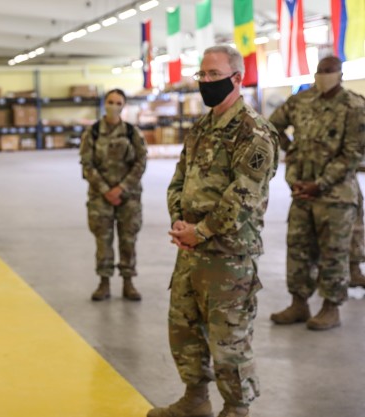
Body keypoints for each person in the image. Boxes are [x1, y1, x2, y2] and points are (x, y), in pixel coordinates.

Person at [152, 45, 279, 417]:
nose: (206, 82)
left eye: (213, 75)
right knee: (184, 329)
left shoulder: (253, 133)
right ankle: (196, 399)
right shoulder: (201, 127)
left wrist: (202, 231)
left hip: (229, 257)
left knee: (229, 340)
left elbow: (244, 196)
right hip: (190, 251)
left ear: (237, 78)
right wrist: (179, 221)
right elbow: (179, 181)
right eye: (202, 75)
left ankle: (237, 408)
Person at [269, 56, 365, 330]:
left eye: (328, 71)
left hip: (335, 195)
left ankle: (330, 307)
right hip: (301, 190)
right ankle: (299, 303)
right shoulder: (301, 101)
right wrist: (292, 151)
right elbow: (272, 125)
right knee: (298, 248)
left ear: (340, 73)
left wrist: (320, 183)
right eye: (320, 71)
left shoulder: (354, 106)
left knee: (333, 252)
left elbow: (353, 153)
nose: (323, 75)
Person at [79, 88, 147, 301]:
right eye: (110, 101)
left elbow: (141, 161)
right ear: (104, 103)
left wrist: (122, 188)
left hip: (129, 197)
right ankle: (104, 282)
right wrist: (106, 190)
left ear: (123, 106)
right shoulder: (93, 132)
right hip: (101, 197)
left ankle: (128, 282)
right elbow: (86, 165)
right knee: (103, 240)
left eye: (118, 103)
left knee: (128, 239)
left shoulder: (131, 132)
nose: (114, 106)